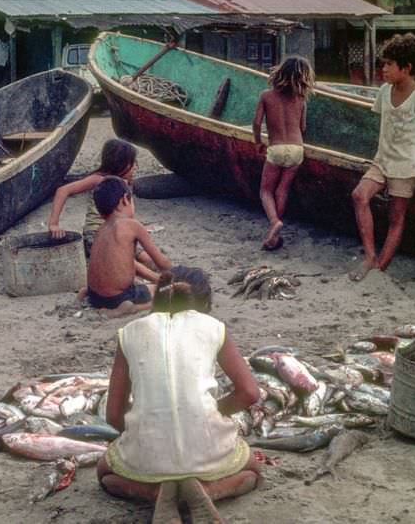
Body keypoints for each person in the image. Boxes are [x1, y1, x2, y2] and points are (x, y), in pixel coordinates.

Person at [97, 267, 262, 524]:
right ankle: (206, 490)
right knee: (251, 471)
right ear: (205, 304)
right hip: (208, 449)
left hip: (148, 455)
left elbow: (113, 414)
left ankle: (157, 492)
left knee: (106, 474)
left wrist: (140, 434)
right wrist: (216, 412)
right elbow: (250, 393)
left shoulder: (129, 332)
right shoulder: (214, 327)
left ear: (158, 297)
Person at [349, 33, 415, 281]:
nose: (384, 69)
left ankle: (380, 268)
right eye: (384, 64)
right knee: (359, 195)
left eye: (389, 64)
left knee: (396, 218)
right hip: (382, 160)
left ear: (407, 67)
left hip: (406, 167)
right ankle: (370, 256)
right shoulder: (384, 91)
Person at [47, 138, 157, 279]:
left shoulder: (126, 183)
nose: (135, 167)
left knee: (147, 259)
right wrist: (54, 224)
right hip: (97, 235)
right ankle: (155, 280)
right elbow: (63, 190)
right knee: (124, 262)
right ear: (119, 163)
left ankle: (158, 277)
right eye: (132, 163)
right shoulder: (100, 180)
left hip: (121, 234)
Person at [253, 56, 315, 250]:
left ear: (280, 73)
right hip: (297, 149)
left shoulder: (266, 95)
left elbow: (256, 123)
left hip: (276, 148)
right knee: (282, 190)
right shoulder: (302, 99)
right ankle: (275, 234)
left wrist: (258, 142)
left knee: (265, 191)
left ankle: (274, 222)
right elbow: (302, 127)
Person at [86, 176, 172, 317]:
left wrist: (155, 277)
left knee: (137, 281)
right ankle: (133, 308)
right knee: (169, 290)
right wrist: (171, 272)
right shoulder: (132, 225)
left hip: (95, 296)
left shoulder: (101, 229)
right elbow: (162, 263)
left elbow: (122, 263)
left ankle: (86, 293)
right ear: (125, 199)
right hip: (119, 299)